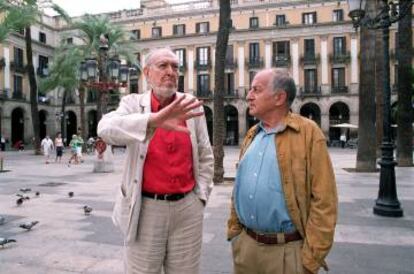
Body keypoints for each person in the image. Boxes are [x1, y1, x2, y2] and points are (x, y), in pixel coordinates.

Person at [97, 47, 213, 274]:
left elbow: (205, 154)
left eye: (175, 67)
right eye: (163, 66)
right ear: (147, 73)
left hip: (187, 208)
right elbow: (105, 129)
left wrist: (201, 196)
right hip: (146, 209)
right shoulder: (133, 104)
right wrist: (153, 120)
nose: (170, 71)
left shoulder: (190, 104)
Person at [227, 68, 338, 274]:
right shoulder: (252, 134)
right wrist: (235, 233)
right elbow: (239, 186)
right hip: (246, 249)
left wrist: (310, 259)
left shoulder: (308, 132)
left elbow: (325, 200)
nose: (248, 95)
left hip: (287, 253)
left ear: (279, 97)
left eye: (256, 90)